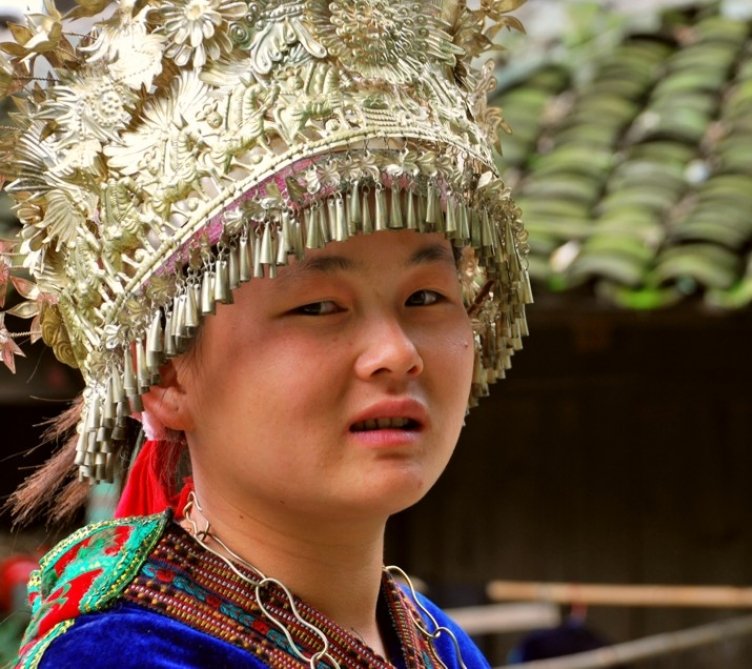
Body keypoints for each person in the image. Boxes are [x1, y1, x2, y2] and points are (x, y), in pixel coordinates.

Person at [0, 0, 531, 667]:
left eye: (424, 297)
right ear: (164, 371)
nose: (396, 353)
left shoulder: (441, 644)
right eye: (318, 307)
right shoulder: (122, 655)